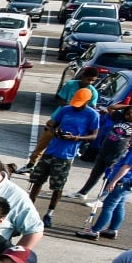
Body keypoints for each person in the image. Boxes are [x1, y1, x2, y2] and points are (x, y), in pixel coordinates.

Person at [27, 87, 101, 229]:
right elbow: (52, 125)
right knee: (37, 180)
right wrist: (56, 132)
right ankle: (29, 207)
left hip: (66, 155)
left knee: (57, 186)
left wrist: (76, 138)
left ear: (87, 101)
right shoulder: (66, 110)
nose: (76, 106)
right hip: (51, 151)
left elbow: (94, 135)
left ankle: (49, 213)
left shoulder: (92, 115)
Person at [79, 119, 132, 241]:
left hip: (124, 181)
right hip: (131, 181)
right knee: (119, 205)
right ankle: (113, 229)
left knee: (108, 206)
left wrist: (113, 181)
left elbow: (127, 166)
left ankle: (94, 231)